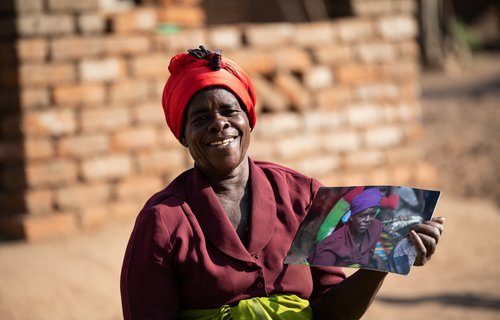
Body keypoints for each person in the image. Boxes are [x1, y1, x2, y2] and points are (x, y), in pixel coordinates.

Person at [120, 46, 445, 320]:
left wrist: (383, 260)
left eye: (229, 111)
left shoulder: (303, 196)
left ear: (249, 119)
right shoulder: (162, 221)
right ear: (182, 136)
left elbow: (332, 311)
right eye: (201, 119)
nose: (219, 124)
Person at [308, 188, 384, 269]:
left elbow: (369, 254)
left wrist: (375, 258)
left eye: (372, 214)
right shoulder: (331, 247)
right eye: (362, 215)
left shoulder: (376, 226)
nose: (368, 220)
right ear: (351, 217)